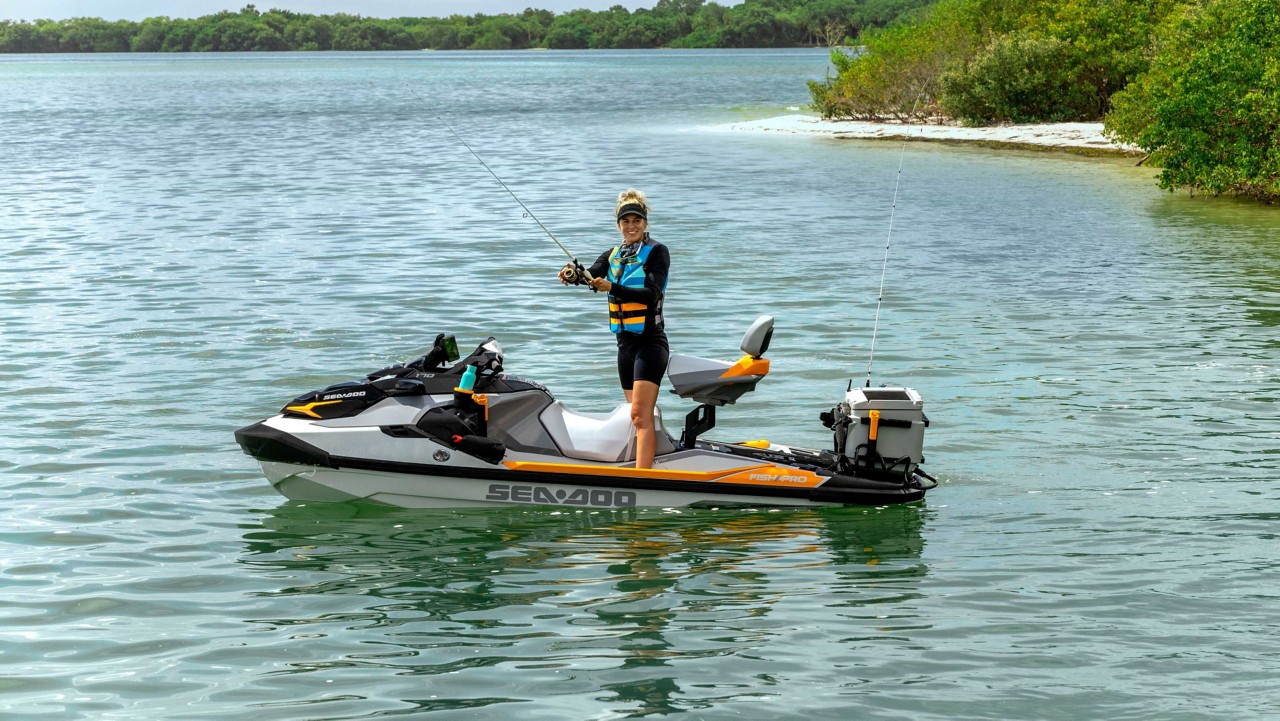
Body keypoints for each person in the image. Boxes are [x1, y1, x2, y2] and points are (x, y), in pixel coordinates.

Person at [558, 188, 671, 469]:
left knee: (641, 416)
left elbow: (651, 294)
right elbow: (592, 275)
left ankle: (644, 479)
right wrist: (572, 276)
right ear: (618, 225)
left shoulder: (657, 252)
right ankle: (644, 463)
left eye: (636, 221)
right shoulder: (611, 255)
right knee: (634, 416)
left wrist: (613, 287)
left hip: (650, 343)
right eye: (625, 221)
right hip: (625, 346)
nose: (631, 226)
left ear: (645, 223)